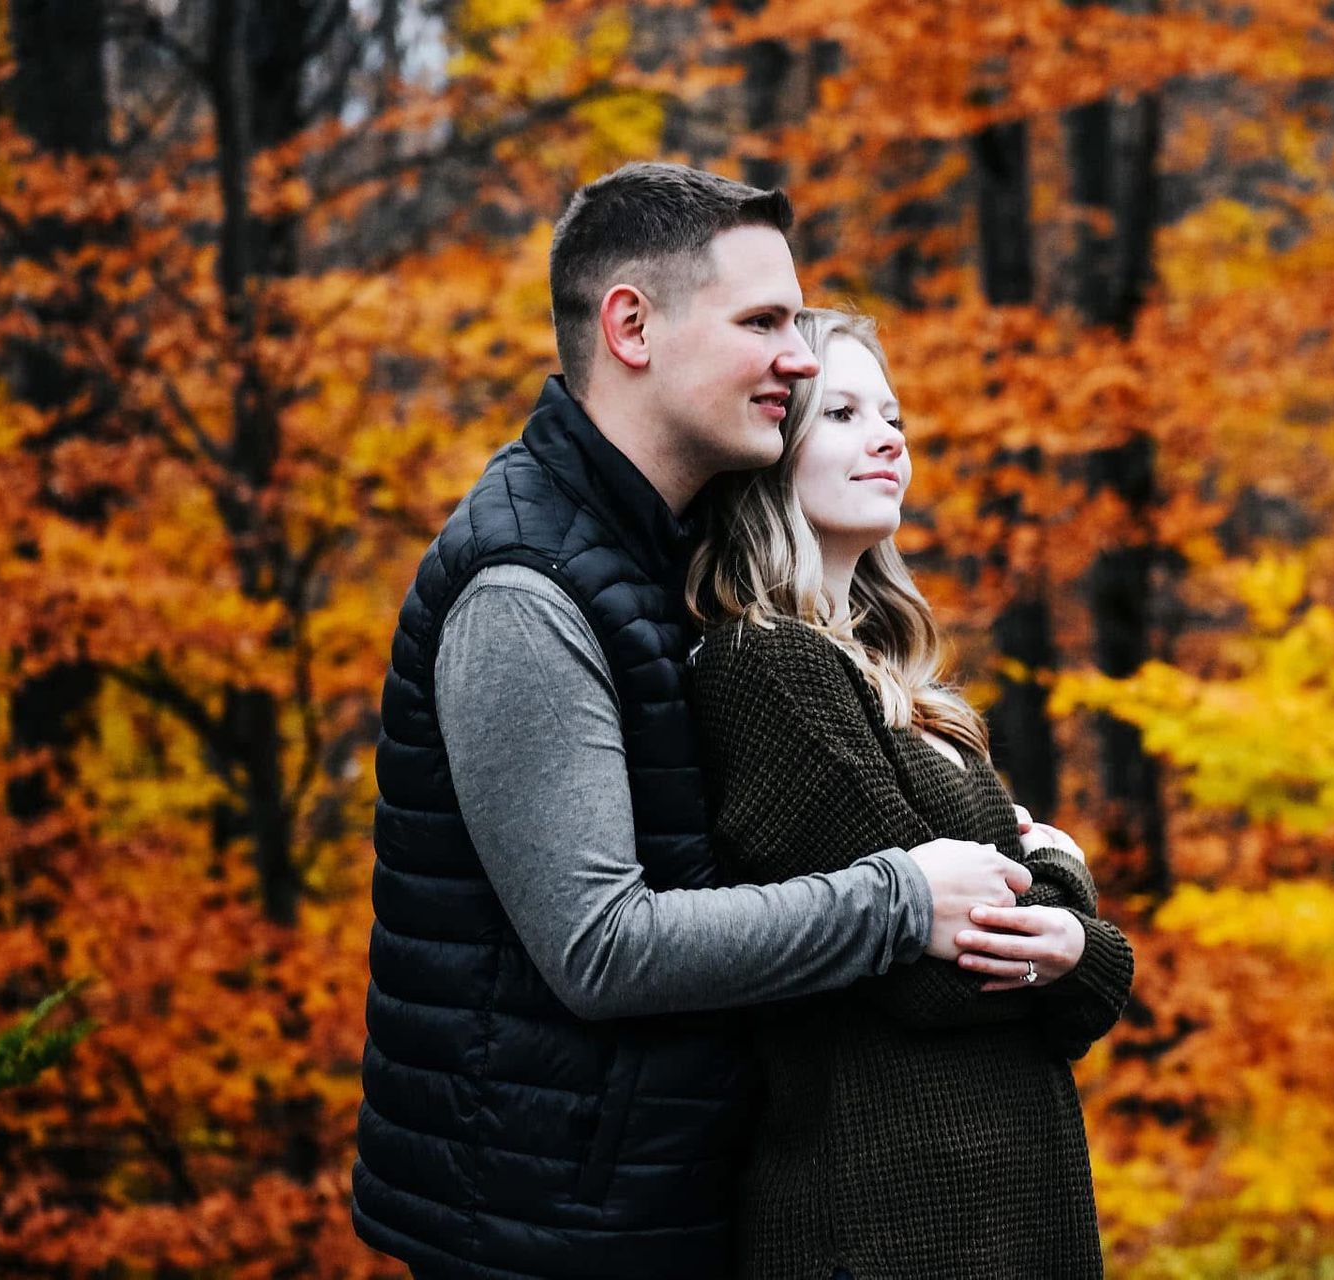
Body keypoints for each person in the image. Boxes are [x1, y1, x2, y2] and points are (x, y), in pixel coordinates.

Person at [351, 165, 1034, 1280]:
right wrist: (903, 900)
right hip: (553, 1235)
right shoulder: (526, 587)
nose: (801, 357)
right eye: (763, 321)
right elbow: (602, 946)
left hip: (666, 1198)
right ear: (632, 326)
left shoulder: (671, 553)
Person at [687, 308, 1136, 1279]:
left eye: (892, 413)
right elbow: (929, 967)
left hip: (1004, 1211)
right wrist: (1059, 868)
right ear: (769, 452)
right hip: (887, 1221)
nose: (890, 435)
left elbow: (1069, 993)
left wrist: (1078, 947)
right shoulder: (767, 668)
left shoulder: (907, 689)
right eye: (842, 413)